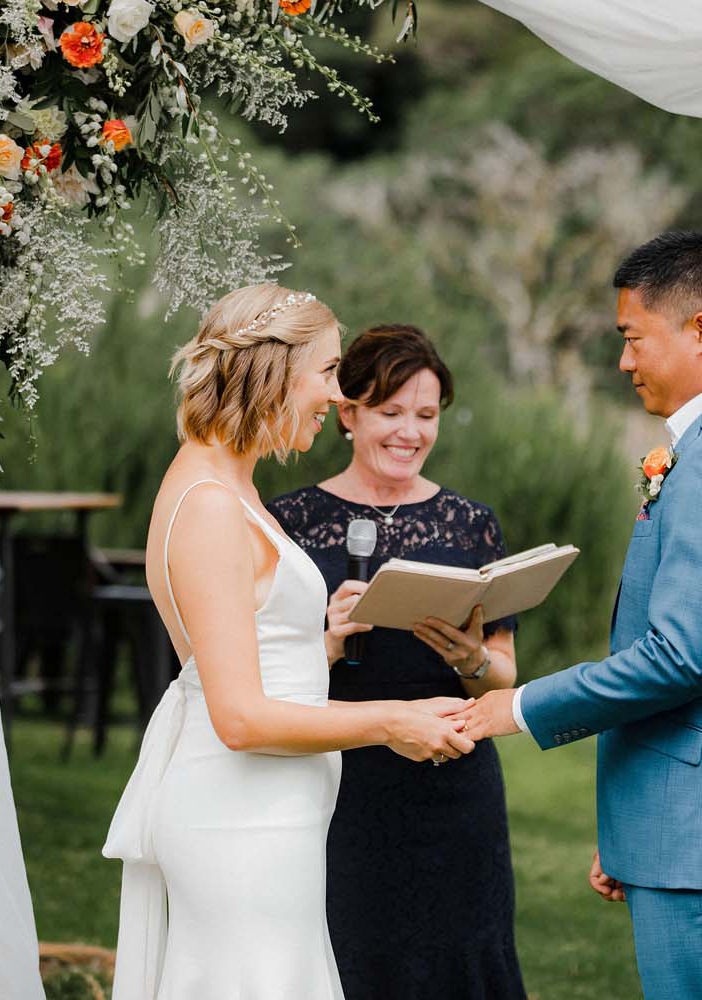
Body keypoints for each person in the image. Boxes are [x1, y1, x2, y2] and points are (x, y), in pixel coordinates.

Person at [457, 233, 702, 999]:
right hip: (696, 827)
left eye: (633, 339)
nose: (624, 363)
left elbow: (680, 658)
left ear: (701, 331)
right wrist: (637, 829)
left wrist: (519, 707)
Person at [101, 287, 476, 1000]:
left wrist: (318, 646)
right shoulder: (210, 505)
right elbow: (238, 717)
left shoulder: (227, 486)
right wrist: (390, 722)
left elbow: (239, 651)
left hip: (271, 817)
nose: (336, 396)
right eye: (328, 372)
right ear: (276, 373)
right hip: (237, 823)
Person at [268, 324, 528, 1000]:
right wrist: (322, 638)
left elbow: (503, 673)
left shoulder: (471, 524)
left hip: (453, 784)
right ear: (348, 414)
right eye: (390, 412)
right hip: (339, 781)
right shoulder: (287, 522)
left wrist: (472, 658)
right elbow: (258, 675)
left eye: (426, 415)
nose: (409, 432)